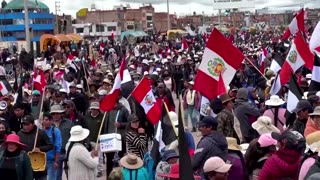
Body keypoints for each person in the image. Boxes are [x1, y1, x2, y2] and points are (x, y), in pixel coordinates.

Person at [17, 115, 53, 180]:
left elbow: (50, 145)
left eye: (28, 124)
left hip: (39, 164)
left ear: (33, 124)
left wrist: (40, 149)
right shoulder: (19, 134)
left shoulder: (40, 133)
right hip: (25, 165)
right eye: (24, 124)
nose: (26, 126)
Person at [85, 102, 105, 177]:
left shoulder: (102, 117)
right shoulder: (86, 117)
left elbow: (103, 128)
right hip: (89, 140)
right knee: (89, 155)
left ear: (98, 109)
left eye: (95, 109)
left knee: (99, 156)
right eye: (92, 109)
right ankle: (91, 169)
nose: (93, 110)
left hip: (98, 140)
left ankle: (99, 170)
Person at [42, 113, 62, 180]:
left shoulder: (55, 131)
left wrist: (56, 161)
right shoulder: (39, 131)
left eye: (49, 120)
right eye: (46, 120)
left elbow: (58, 146)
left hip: (51, 161)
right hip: (41, 161)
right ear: (42, 120)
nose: (48, 122)